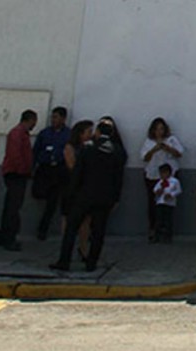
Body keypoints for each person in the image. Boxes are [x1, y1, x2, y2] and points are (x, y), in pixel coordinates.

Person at [49, 120, 126, 272]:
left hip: (84, 195)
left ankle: (64, 261)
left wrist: (72, 192)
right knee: (98, 232)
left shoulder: (88, 148)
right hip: (105, 197)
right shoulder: (117, 151)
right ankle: (91, 263)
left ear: (97, 132)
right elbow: (119, 177)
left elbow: (78, 173)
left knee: (71, 228)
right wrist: (116, 198)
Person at [140, 117, 185, 243]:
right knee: (153, 203)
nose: (159, 132)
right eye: (156, 129)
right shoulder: (149, 141)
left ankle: (167, 231)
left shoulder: (171, 140)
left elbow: (180, 153)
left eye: (161, 129)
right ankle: (153, 229)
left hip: (170, 175)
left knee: (168, 204)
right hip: (153, 175)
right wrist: (155, 149)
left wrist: (167, 148)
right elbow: (144, 157)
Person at [0, 110, 37, 251]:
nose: (34, 125)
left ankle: (3, 237)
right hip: (16, 174)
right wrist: (24, 170)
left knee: (10, 206)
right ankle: (9, 239)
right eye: (34, 121)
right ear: (30, 120)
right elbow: (16, 155)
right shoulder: (18, 133)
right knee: (14, 207)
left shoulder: (19, 133)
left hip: (15, 173)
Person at [32, 106, 70, 241]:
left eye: (56, 117)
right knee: (40, 196)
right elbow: (36, 151)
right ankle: (41, 228)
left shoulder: (68, 135)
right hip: (45, 169)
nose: (53, 120)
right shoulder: (45, 133)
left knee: (55, 202)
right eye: (52, 117)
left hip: (60, 170)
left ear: (63, 118)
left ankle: (49, 230)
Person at [61, 120, 94, 259]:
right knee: (67, 218)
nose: (91, 135)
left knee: (86, 219)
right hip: (71, 186)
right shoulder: (70, 147)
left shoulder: (89, 148)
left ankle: (84, 248)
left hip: (85, 187)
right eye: (88, 132)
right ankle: (66, 249)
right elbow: (72, 166)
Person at [152, 163, 181, 243]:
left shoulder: (175, 181)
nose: (163, 175)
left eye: (164, 173)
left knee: (168, 220)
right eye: (161, 173)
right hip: (160, 202)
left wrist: (171, 194)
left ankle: (168, 237)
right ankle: (157, 236)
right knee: (158, 220)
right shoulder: (160, 182)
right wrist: (158, 191)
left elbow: (178, 190)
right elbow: (155, 190)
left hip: (169, 203)